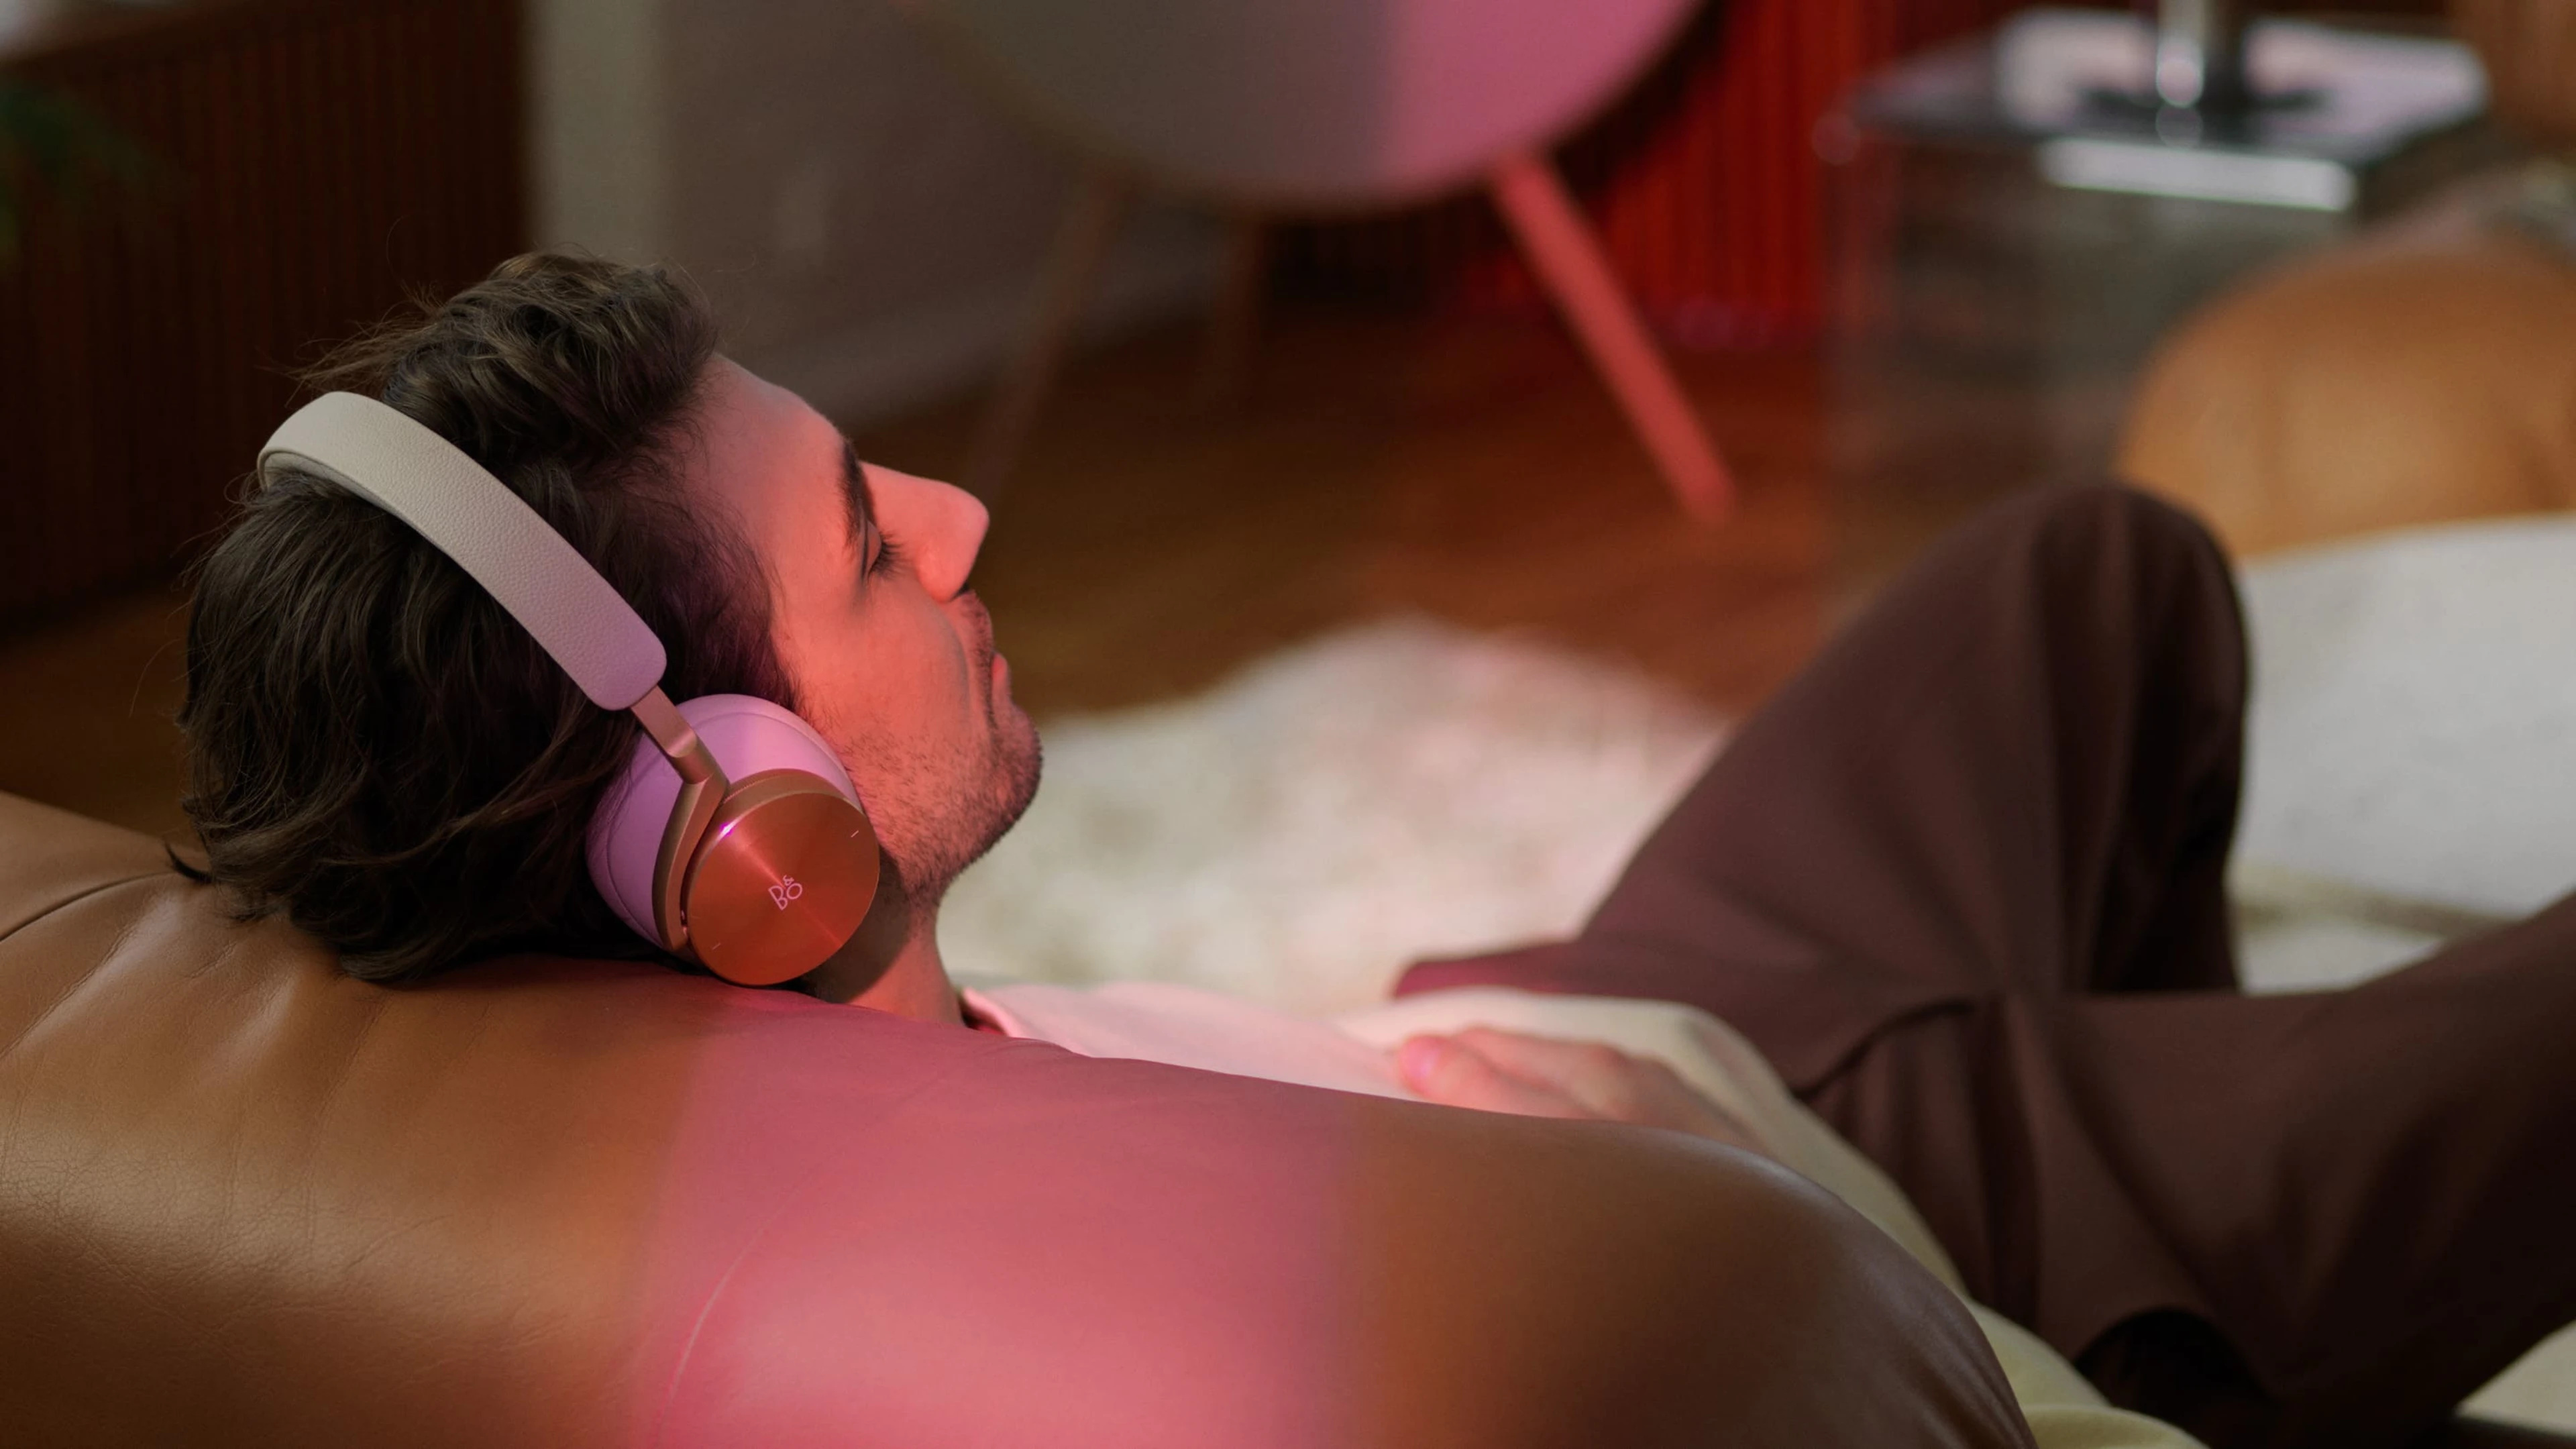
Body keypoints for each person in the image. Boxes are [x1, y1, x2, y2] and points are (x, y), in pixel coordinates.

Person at [175, 253, 2576, 1449]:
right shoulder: (1083, 1339)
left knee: (2097, 573)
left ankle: (2203, 1211)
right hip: (1859, 1208)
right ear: (741, 838)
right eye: (872, 550)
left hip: (1604, 1013)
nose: (964, 512)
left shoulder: (631, 1138)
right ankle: (2184, 1270)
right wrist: (1766, 1220)